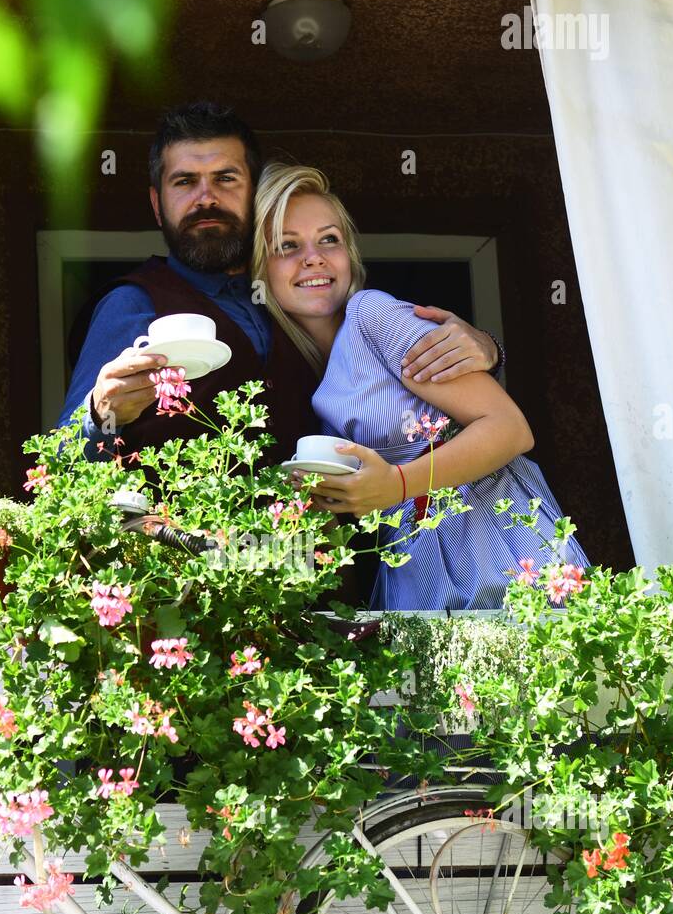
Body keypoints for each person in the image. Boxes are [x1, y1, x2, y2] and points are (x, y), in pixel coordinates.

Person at [58, 102, 504, 467]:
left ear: (255, 195)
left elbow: (404, 374)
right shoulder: (133, 303)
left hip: (334, 566)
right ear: (158, 204)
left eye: (225, 178)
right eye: (184, 182)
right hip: (187, 567)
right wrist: (100, 416)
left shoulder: (300, 298)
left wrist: (487, 348)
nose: (206, 197)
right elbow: (59, 465)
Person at [253, 163, 590, 609]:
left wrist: (395, 483)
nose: (312, 257)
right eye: (287, 246)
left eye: (328, 239)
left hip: (491, 534)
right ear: (259, 270)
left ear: (349, 256)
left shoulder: (372, 314)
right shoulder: (307, 373)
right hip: (416, 557)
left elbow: (510, 429)